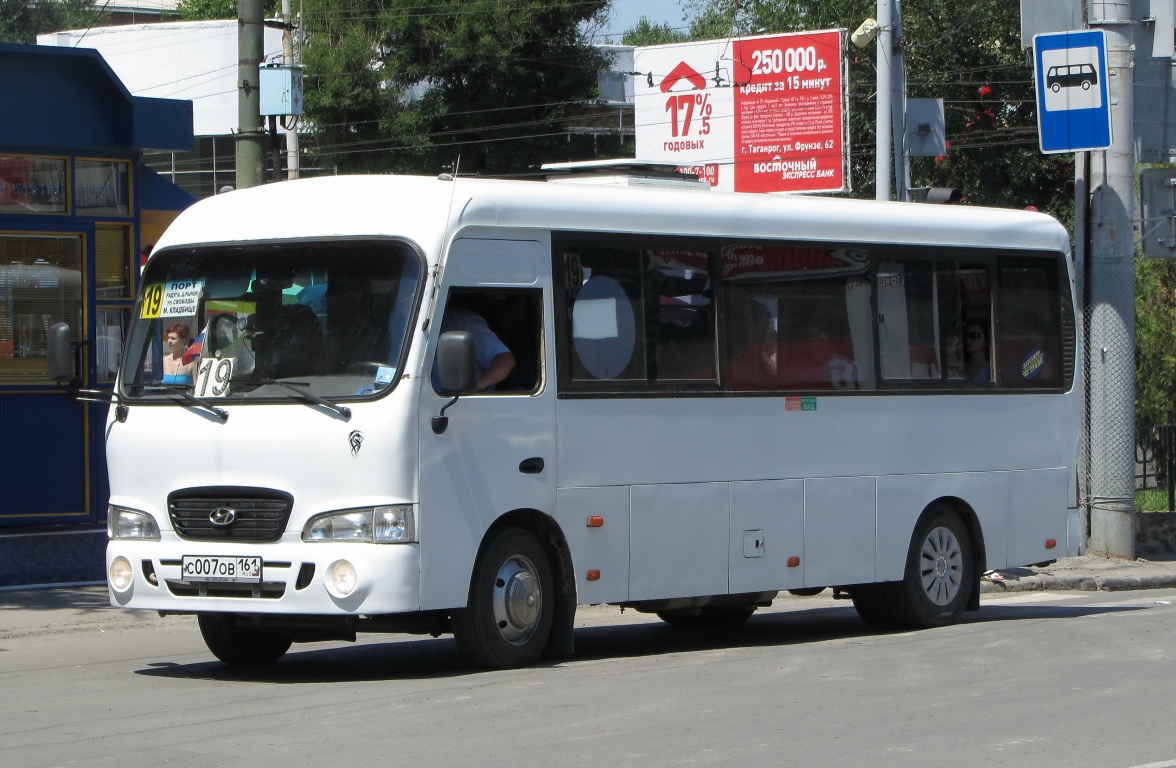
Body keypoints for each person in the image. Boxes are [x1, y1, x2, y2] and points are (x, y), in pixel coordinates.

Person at [435, 305, 515, 393]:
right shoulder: (420, 324)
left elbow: (506, 360)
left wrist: (477, 385)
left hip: (467, 404)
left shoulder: (460, 321)